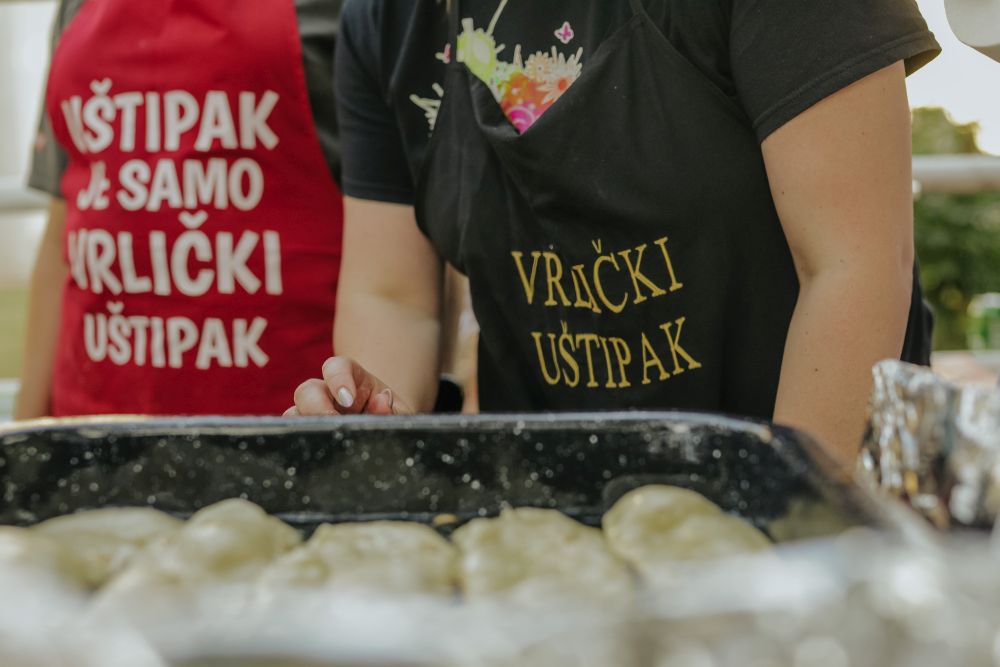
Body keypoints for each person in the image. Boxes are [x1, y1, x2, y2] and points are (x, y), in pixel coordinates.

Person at [289, 0, 941, 463]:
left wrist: (781, 530)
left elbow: (853, 265)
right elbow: (392, 298)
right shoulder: (384, 18)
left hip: (807, 481)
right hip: (554, 504)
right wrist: (371, 421)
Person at [16, 0, 346, 418]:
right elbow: (61, 237)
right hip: (92, 425)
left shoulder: (343, 12)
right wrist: (27, 439)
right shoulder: (77, 8)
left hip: (285, 425)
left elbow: (390, 269)